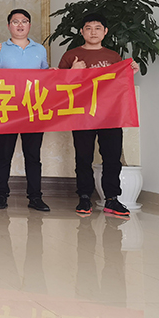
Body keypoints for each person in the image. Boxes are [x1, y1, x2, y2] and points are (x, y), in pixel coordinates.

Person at [58, 12, 140, 219]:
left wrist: (130, 72)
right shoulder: (71, 55)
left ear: (105, 32)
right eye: (88, 28)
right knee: (83, 157)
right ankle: (84, 197)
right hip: (82, 115)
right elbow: (58, 86)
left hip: (110, 115)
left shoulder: (114, 57)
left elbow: (119, 86)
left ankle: (112, 199)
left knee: (112, 157)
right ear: (81, 31)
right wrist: (72, 71)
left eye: (97, 28)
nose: (93, 32)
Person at [0, 9, 50, 212]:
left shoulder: (40, 49)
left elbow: (46, 77)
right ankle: (1, 195)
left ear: (29, 25)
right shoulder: (0, 48)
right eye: (15, 22)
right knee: (4, 155)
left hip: (33, 110)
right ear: (9, 26)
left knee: (33, 156)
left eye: (24, 21)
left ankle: (35, 197)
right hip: (7, 109)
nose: (20, 25)